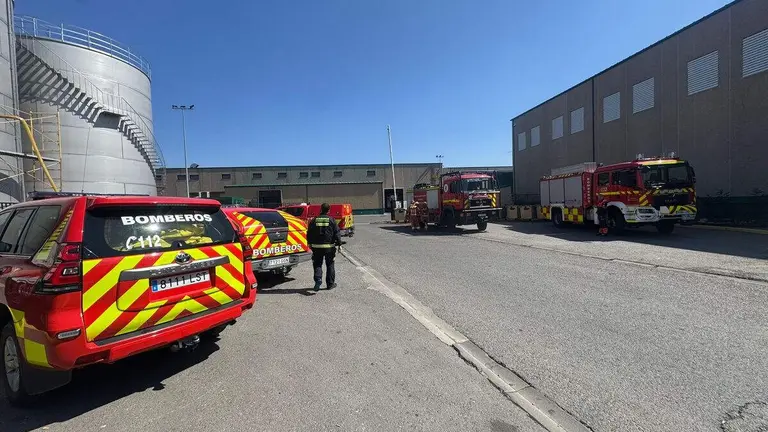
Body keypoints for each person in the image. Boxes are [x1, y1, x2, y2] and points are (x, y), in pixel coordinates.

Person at [307, 202, 342, 290]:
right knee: (330, 264)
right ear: (329, 210)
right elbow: (337, 233)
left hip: (316, 247)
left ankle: (318, 279)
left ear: (321, 209)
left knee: (317, 263)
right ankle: (330, 284)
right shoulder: (332, 220)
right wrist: (339, 244)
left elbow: (309, 233)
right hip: (329, 247)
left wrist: (310, 243)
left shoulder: (314, 220)